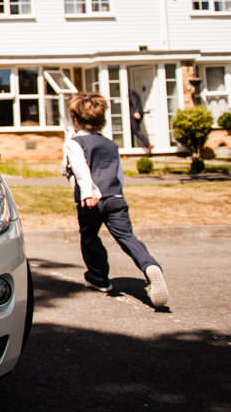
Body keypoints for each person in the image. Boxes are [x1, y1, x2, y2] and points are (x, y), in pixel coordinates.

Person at [63, 92, 169, 308]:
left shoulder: (75, 143)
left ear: (75, 120)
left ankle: (99, 278)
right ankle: (149, 266)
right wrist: (116, 192)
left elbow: (81, 169)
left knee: (90, 237)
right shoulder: (111, 145)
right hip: (115, 197)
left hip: (91, 200)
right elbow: (118, 174)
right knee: (127, 237)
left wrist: (88, 192)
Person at [128, 87, 152, 153]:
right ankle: (134, 145)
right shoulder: (131, 92)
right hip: (134, 114)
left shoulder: (130, 92)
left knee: (136, 130)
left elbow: (135, 101)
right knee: (133, 130)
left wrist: (136, 111)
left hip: (134, 114)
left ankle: (148, 145)